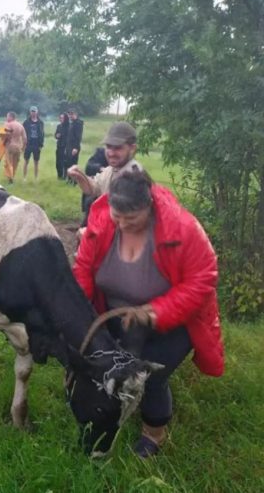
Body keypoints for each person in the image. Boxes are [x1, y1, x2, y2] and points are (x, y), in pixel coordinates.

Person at [73, 170, 224, 458]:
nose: (122, 225)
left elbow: (204, 278)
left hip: (175, 321)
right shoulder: (103, 219)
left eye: (131, 220)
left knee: (151, 376)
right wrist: (79, 309)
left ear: (149, 207)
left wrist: (156, 312)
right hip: (118, 316)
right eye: (118, 217)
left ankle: (153, 434)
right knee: (112, 370)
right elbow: (83, 268)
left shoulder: (182, 228)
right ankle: (112, 413)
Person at [21, 106, 45, 182]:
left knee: (36, 162)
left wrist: (41, 144)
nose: (33, 113)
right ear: (30, 112)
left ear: (37, 112)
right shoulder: (26, 122)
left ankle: (36, 178)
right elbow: (23, 133)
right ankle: (24, 178)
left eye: (34, 111)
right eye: (32, 111)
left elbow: (42, 134)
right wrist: (23, 144)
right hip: (28, 144)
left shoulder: (40, 122)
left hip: (37, 144)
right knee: (26, 161)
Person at [2, 112, 26, 184]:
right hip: (18, 146)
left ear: (11, 117)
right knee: (15, 163)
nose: (6, 118)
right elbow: (25, 138)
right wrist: (23, 148)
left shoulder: (8, 124)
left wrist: (3, 142)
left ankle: (10, 177)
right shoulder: (21, 126)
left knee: (9, 163)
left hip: (10, 146)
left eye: (7, 117)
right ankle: (12, 176)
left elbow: (6, 135)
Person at [64, 109, 84, 185]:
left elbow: (78, 137)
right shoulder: (71, 123)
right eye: (69, 114)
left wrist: (75, 147)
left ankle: (75, 181)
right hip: (69, 146)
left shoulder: (78, 123)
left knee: (74, 164)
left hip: (74, 147)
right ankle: (69, 179)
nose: (70, 116)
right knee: (69, 163)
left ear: (76, 114)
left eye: (72, 114)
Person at [54, 112, 70, 180]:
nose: (60, 119)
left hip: (66, 146)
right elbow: (56, 135)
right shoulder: (59, 126)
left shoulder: (69, 127)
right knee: (58, 162)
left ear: (65, 118)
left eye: (62, 118)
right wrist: (57, 136)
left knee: (65, 162)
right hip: (59, 146)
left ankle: (65, 176)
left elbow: (69, 137)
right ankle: (59, 176)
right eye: (60, 118)